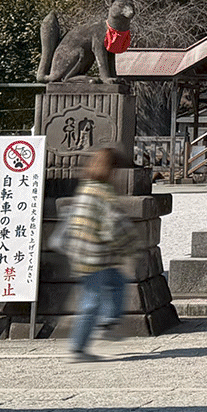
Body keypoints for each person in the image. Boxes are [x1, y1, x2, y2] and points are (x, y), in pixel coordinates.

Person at [61, 146, 137, 363]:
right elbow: (115, 225)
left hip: (81, 251)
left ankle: (108, 322)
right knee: (91, 301)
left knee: (117, 282)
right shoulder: (104, 192)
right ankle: (79, 346)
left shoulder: (86, 187)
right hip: (94, 256)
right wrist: (130, 246)